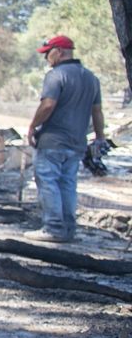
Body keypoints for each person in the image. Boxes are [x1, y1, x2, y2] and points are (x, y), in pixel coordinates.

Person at [25, 34, 105, 243]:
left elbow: (48, 104)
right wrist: (100, 138)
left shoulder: (56, 75)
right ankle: (68, 229)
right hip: (77, 143)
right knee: (68, 183)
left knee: (48, 181)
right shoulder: (91, 78)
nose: (46, 59)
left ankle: (52, 228)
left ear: (59, 52)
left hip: (53, 141)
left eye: (47, 54)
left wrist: (33, 126)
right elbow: (97, 112)